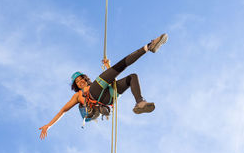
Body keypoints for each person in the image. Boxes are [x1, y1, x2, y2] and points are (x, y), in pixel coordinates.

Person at [39, 33, 168, 140]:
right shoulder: (78, 95)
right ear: (76, 86)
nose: (80, 82)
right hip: (97, 98)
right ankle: (148, 46)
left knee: (131, 77)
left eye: (81, 79)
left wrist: (107, 67)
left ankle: (140, 103)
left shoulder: (96, 83)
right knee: (120, 66)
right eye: (77, 82)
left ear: (85, 78)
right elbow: (63, 111)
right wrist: (48, 125)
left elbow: (114, 82)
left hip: (109, 96)